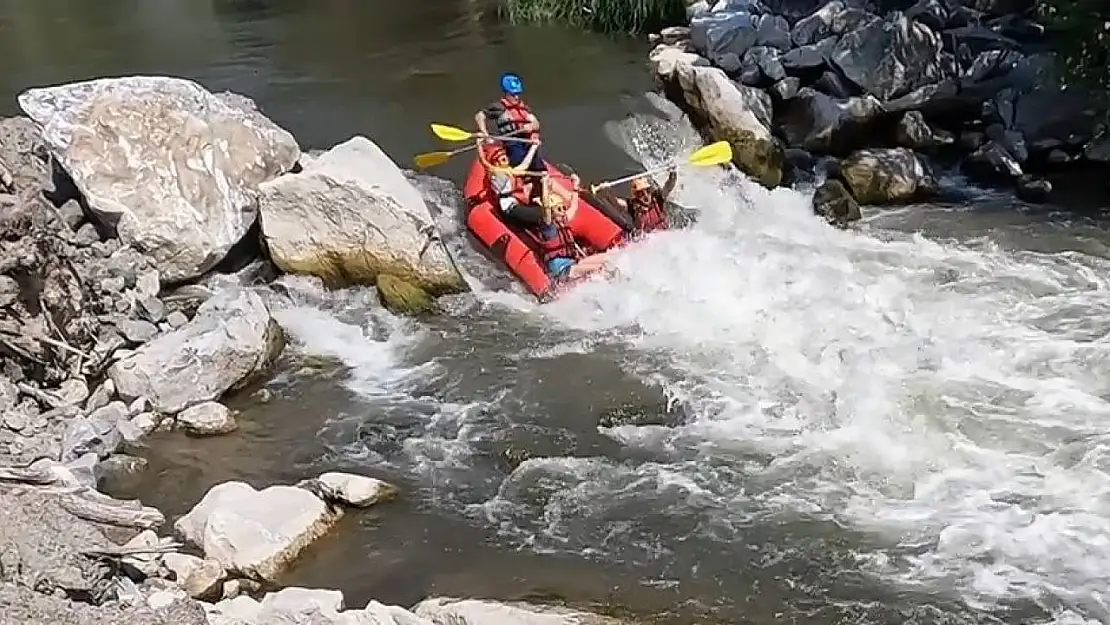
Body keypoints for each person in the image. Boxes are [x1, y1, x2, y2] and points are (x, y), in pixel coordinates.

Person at [536, 176, 611, 282]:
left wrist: (575, 185)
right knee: (599, 268)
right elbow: (546, 207)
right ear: (552, 212)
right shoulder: (548, 227)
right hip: (561, 271)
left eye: (563, 208)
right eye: (559, 209)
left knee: (609, 258)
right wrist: (544, 184)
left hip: (573, 263)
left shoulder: (563, 220)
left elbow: (574, 205)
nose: (563, 211)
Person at [474, 73, 546, 180]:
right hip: (512, 143)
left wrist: (531, 126)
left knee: (541, 170)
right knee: (521, 169)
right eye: (513, 94)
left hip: (527, 143)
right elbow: (479, 116)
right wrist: (485, 134)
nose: (516, 97)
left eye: (518, 94)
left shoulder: (523, 108)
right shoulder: (498, 107)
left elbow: (536, 123)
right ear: (506, 93)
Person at [476, 140, 546, 229]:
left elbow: (525, 164)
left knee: (542, 211)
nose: (505, 158)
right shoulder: (495, 172)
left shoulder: (511, 171)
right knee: (541, 216)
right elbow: (483, 161)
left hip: (515, 204)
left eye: (505, 156)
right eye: (501, 158)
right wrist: (479, 145)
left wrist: (533, 147)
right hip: (508, 208)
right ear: (496, 163)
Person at [597, 168, 678, 234]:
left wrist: (673, 172)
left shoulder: (657, 197)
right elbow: (616, 203)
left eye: (647, 191)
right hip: (648, 242)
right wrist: (607, 191)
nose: (645, 195)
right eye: (640, 194)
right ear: (636, 195)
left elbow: (669, 186)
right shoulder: (632, 206)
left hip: (665, 234)